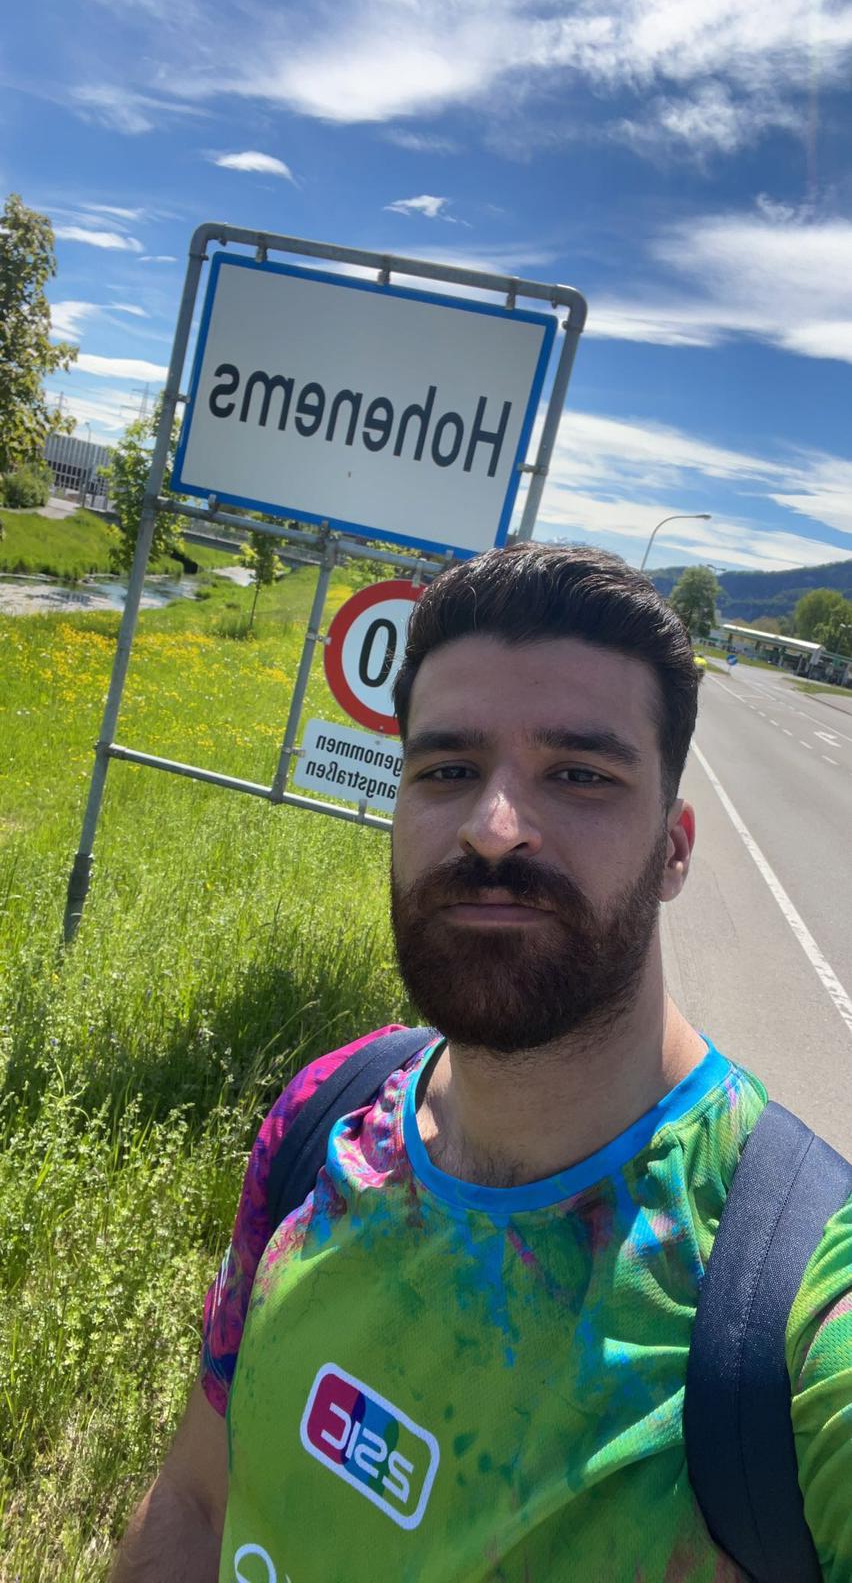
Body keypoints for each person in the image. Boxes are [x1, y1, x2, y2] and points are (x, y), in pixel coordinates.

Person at [111, 543, 852, 1582]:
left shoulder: (798, 1296)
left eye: (580, 775)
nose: (494, 829)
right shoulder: (325, 1112)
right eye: (448, 770)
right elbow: (196, 1498)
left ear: (676, 849)